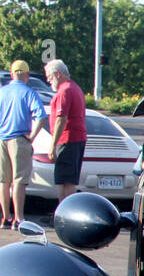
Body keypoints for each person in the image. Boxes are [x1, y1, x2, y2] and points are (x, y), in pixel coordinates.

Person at [0, 60, 48, 229]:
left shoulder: (2, 92)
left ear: (12, 74)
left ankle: (5, 217)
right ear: (27, 75)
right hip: (19, 139)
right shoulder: (29, 93)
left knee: (3, 181)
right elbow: (41, 116)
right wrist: (32, 136)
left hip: (2, 139)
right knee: (19, 180)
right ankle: (18, 218)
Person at [43, 59, 86, 202]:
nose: (49, 81)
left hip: (67, 139)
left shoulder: (64, 90)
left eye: (49, 77)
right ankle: (66, 210)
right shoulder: (75, 88)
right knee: (68, 179)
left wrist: (52, 144)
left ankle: (64, 212)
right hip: (76, 138)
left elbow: (61, 118)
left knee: (64, 181)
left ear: (57, 74)